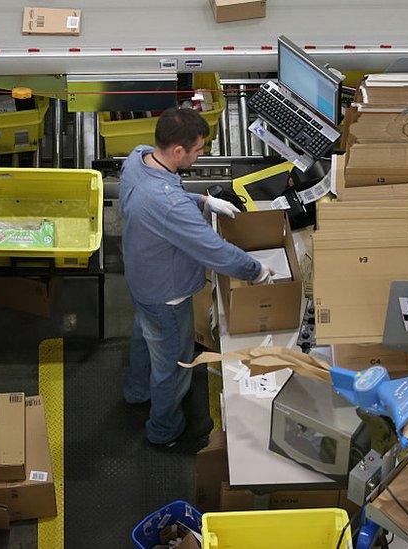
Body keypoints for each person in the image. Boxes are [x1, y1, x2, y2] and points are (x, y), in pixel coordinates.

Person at [119, 108, 273, 450]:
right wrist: (257, 271)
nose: (200, 154)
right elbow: (214, 251)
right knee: (172, 366)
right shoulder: (170, 205)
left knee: (145, 338)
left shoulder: (138, 157)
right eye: (198, 149)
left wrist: (202, 200)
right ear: (178, 151)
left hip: (141, 278)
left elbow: (158, 196)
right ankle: (164, 430)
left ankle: (136, 392)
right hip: (167, 297)